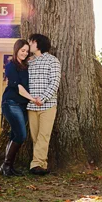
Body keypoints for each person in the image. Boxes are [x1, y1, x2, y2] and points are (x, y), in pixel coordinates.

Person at [0, 39, 40, 176]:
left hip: (22, 105)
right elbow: (19, 88)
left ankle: (7, 166)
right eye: (22, 50)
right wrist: (33, 99)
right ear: (16, 49)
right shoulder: (11, 65)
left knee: (14, 135)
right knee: (21, 135)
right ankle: (6, 165)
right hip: (11, 103)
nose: (25, 53)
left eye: (27, 51)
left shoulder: (26, 66)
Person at [26, 32, 61, 175]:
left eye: (31, 42)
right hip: (31, 105)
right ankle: (41, 164)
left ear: (38, 44)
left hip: (47, 105)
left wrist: (43, 98)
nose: (29, 45)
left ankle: (36, 165)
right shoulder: (29, 62)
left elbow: (55, 82)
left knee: (43, 135)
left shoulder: (52, 61)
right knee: (35, 136)